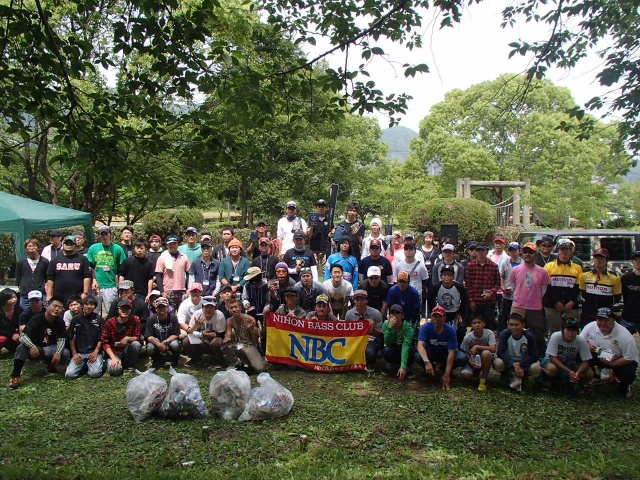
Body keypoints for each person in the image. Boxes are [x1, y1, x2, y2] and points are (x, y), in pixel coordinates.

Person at [8, 296, 70, 389]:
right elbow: (23, 336)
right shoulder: (36, 319)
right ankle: (15, 376)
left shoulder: (59, 322)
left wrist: (58, 353)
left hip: (49, 347)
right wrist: (32, 346)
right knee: (22, 347)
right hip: (35, 348)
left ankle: (49, 364)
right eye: (54, 306)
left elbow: (62, 339)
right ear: (47, 306)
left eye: (60, 308)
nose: (57, 309)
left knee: (65, 353)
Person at [581, 307, 639, 397]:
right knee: (580, 354)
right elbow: (580, 341)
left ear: (613, 320)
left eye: (606, 320)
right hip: (598, 355)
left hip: (618, 359)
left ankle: (625, 385)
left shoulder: (624, 335)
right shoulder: (590, 327)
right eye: (600, 320)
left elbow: (630, 357)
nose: (602, 323)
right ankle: (593, 376)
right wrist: (586, 344)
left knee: (628, 371)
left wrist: (613, 364)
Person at [509, 242, 550, 351]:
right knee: (514, 330)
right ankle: (513, 353)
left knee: (537, 333)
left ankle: (540, 355)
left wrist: (533, 298)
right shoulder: (515, 270)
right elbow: (513, 287)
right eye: (525, 252)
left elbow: (543, 290)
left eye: (531, 252)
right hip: (518, 306)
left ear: (536, 255)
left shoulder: (543, 272)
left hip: (535, 307)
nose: (528, 254)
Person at [415, 306, 468, 389]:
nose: (437, 319)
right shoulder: (426, 327)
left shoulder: (450, 330)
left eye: (440, 316)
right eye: (434, 316)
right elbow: (420, 345)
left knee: (462, 358)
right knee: (418, 356)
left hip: (445, 354)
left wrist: (447, 375)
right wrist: (426, 362)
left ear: (445, 318)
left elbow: (452, 352)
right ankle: (429, 368)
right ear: (431, 317)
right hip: (431, 353)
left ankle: (445, 368)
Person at [540, 317, 593, 394]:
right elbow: (552, 358)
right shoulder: (556, 336)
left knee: (589, 373)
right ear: (562, 329)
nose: (571, 333)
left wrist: (577, 373)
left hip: (570, 363)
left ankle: (576, 384)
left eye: (573, 330)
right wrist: (568, 371)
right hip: (553, 362)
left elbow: (586, 360)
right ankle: (548, 382)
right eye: (568, 330)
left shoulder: (580, 340)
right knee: (552, 369)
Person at [544, 238, 583, 335]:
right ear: (558, 250)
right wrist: (556, 302)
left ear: (571, 251)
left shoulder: (577, 268)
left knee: (571, 333)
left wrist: (572, 302)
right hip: (552, 306)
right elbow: (546, 287)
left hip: (571, 307)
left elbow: (579, 287)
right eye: (561, 249)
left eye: (567, 249)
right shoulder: (549, 266)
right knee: (553, 334)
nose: (564, 252)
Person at [493, 313, 541, 390]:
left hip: (523, 362)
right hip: (509, 361)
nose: (514, 327)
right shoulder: (505, 334)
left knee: (536, 368)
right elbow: (500, 353)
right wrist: (514, 364)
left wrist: (519, 364)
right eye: (511, 325)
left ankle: (525, 376)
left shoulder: (529, 336)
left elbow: (534, 356)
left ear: (523, 325)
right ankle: (505, 374)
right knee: (498, 363)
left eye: (516, 325)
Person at [87, 226, 127, 313]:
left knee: (111, 312)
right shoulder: (93, 248)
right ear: (99, 236)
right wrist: (93, 279)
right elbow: (90, 266)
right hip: (96, 285)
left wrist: (119, 283)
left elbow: (122, 267)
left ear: (110, 235)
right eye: (102, 235)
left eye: (106, 234)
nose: (105, 237)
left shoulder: (117, 249)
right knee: (92, 312)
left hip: (111, 285)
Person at [579, 248, 622, 328]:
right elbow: (583, 293)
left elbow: (617, 297)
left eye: (601, 258)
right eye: (596, 258)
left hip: (605, 316)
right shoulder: (584, 276)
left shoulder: (614, 278)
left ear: (606, 260)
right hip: (588, 314)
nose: (598, 260)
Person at [427, 265, 469, 345]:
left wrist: (460, 313)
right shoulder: (436, 287)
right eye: (444, 275)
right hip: (441, 313)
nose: (447, 277)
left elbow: (464, 301)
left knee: (461, 328)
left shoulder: (459, 287)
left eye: (449, 275)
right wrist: (434, 312)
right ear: (441, 277)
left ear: (453, 277)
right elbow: (430, 300)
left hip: (455, 312)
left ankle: (458, 346)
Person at [45, 235, 92, 305]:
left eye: (71, 244)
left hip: (77, 296)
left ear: (75, 245)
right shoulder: (55, 260)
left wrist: (85, 293)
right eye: (67, 244)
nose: (69, 246)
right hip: (59, 296)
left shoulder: (83, 259)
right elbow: (50, 278)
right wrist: (49, 295)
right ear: (63, 244)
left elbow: (87, 277)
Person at [464, 242, 500, 331]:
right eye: (478, 250)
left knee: (488, 326)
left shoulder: (493, 266)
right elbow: (468, 284)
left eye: (482, 250)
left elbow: (497, 283)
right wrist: (471, 301)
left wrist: (491, 294)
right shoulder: (471, 266)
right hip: (475, 303)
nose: (480, 252)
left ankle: (488, 344)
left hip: (489, 303)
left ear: (486, 251)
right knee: (474, 326)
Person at [65, 296, 104, 379]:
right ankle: (84, 365)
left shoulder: (99, 319)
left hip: (93, 352)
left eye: (92, 304)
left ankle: (94, 364)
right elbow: (71, 337)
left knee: (94, 374)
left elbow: (101, 337)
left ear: (95, 306)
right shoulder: (75, 319)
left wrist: (96, 352)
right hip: (79, 353)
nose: (89, 306)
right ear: (82, 305)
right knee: (70, 375)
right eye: (86, 304)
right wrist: (74, 354)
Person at [345, 290, 383, 373]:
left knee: (370, 352)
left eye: (362, 299)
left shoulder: (376, 313)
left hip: (370, 339)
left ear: (367, 301)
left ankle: (370, 363)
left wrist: (373, 328)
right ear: (354, 301)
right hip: (354, 340)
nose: (359, 302)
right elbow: (346, 332)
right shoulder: (349, 314)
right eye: (357, 299)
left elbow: (381, 333)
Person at [101, 299, 142, 375]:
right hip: (113, 351)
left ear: (130, 310)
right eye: (122, 308)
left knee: (136, 344)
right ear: (117, 310)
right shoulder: (109, 323)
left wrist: (128, 338)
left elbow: (138, 337)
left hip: (127, 349)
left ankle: (130, 364)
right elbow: (104, 342)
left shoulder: (135, 319)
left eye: (127, 308)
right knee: (115, 371)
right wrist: (113, 358)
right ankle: (112, 362)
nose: (125, 311)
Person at [223, 298, 265, 372]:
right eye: (231, 308)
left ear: (240, 308)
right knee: (225, 347)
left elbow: (256, 338)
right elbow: (228, 335)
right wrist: (227, 338)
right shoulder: (229, 320)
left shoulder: (250, 319)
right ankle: (237, 363)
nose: (234, 310)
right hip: (239, 344)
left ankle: (248, 361)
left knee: (259, 368)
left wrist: (252, 329)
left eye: (236, 307)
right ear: (229, 310)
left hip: (250, 345)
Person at [183, 296, 226, 366]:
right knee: (186, 341)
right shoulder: (197, 314)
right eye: (206, 307)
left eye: (211, 307)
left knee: (217, 342)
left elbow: (221, 334)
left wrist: (204, 334)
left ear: (215, 308)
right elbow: (189, 332)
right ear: (203, 307)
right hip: (200, 339)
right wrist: (196, 325)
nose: (209, 310)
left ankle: (218, 360)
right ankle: (196, 358)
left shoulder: (219, 315)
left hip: (212, 339)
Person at [459, 313, 497, 392]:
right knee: (465, 375)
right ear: (471, 325)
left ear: (484, 324)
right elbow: (464, 352)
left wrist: (477, 346)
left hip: (486, 358)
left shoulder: (489, 333)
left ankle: (483, 380)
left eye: (479, 323)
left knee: (486, 353)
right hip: (473, 360)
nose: (477, 325)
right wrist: (470, 362)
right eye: (474, 323)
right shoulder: (468, 337)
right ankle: (475, 371)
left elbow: (493, 349)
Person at [155, 234, 191, 310]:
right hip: (168, 291)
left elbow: (188, 273)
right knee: (169, 313)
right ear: (167, 245)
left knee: (182, 313)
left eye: (174, 243)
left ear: (178, 244)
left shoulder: (184, 257)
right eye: (170, 244)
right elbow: (158, 275)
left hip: (182, 290)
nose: (172, 245)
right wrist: (162, 291)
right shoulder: (162, 257)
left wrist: (188, 288)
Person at [145, 297, 181, 368]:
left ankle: (174, 360)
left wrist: (166, 342)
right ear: (156, 309)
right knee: (150, 348)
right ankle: (157, 360)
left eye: (164, 307)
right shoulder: (151, 319)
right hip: (157, 341)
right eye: (159, 307)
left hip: (169, 340)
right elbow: (149, 336)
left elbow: (176, 334)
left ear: (168, 308)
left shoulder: (173, 317)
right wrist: (159, 344)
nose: (161, 309)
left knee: (175, 345)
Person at [382, 304, 415, 379]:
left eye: (398, 313)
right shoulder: (385, 325)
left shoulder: (409, 328)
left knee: (410, 351)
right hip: (393, 347)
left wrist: (403, 366)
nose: (395, 315)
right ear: (389, 315)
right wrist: (390, 329)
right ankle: (389, 365)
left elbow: (406, 346)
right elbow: (387, 342)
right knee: (386, 350)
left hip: (404, 348)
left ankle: (407, 367)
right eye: (392, 313)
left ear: (402, 316)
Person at [15, 238, 49, 310]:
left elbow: (48, 278)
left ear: (38, 247)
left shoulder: (45, 262)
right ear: (26, 248)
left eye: (34, 245)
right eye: (29, 246)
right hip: (25, 295)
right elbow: (18, 278)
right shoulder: (21, 262)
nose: (31, 248)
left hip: (41, 294)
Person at [499, 242, 523, 332]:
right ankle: (501, 331)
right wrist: (502, 286)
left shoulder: (523, 263)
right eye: (511, 250)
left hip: (519, 294)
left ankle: (515, 331)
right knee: (503, 314)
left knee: (516, 315)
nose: (513, 252)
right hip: (507, 293)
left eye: (515, 250)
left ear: (519, 251)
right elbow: (502, 276)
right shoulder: (506, 262)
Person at [308, 200, 333, 276]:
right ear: (316, 208)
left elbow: (332, 230)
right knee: (313, 270)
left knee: (326, 271)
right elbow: (309, 236)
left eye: (322, 207)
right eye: (319, 207)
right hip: (314, 249)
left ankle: (326, 287)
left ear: (326, 208)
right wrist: (312, 227)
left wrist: (332, 232)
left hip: (325, 249)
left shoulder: (329, 220)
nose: (320, 208)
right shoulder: (312, 218)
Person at [620, 251, 640, 334]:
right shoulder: (625, 278)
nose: (638, 261)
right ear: (632, 262)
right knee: (621, 343)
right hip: (627, 318)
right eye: (635, 259)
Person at [0, 288, 22, 354]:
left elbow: (21, 323)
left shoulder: (19, 309)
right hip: (3, 334)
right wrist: (11, 335)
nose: (14, 300)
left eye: (15, 297)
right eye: (11, 298)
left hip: (12, 335)